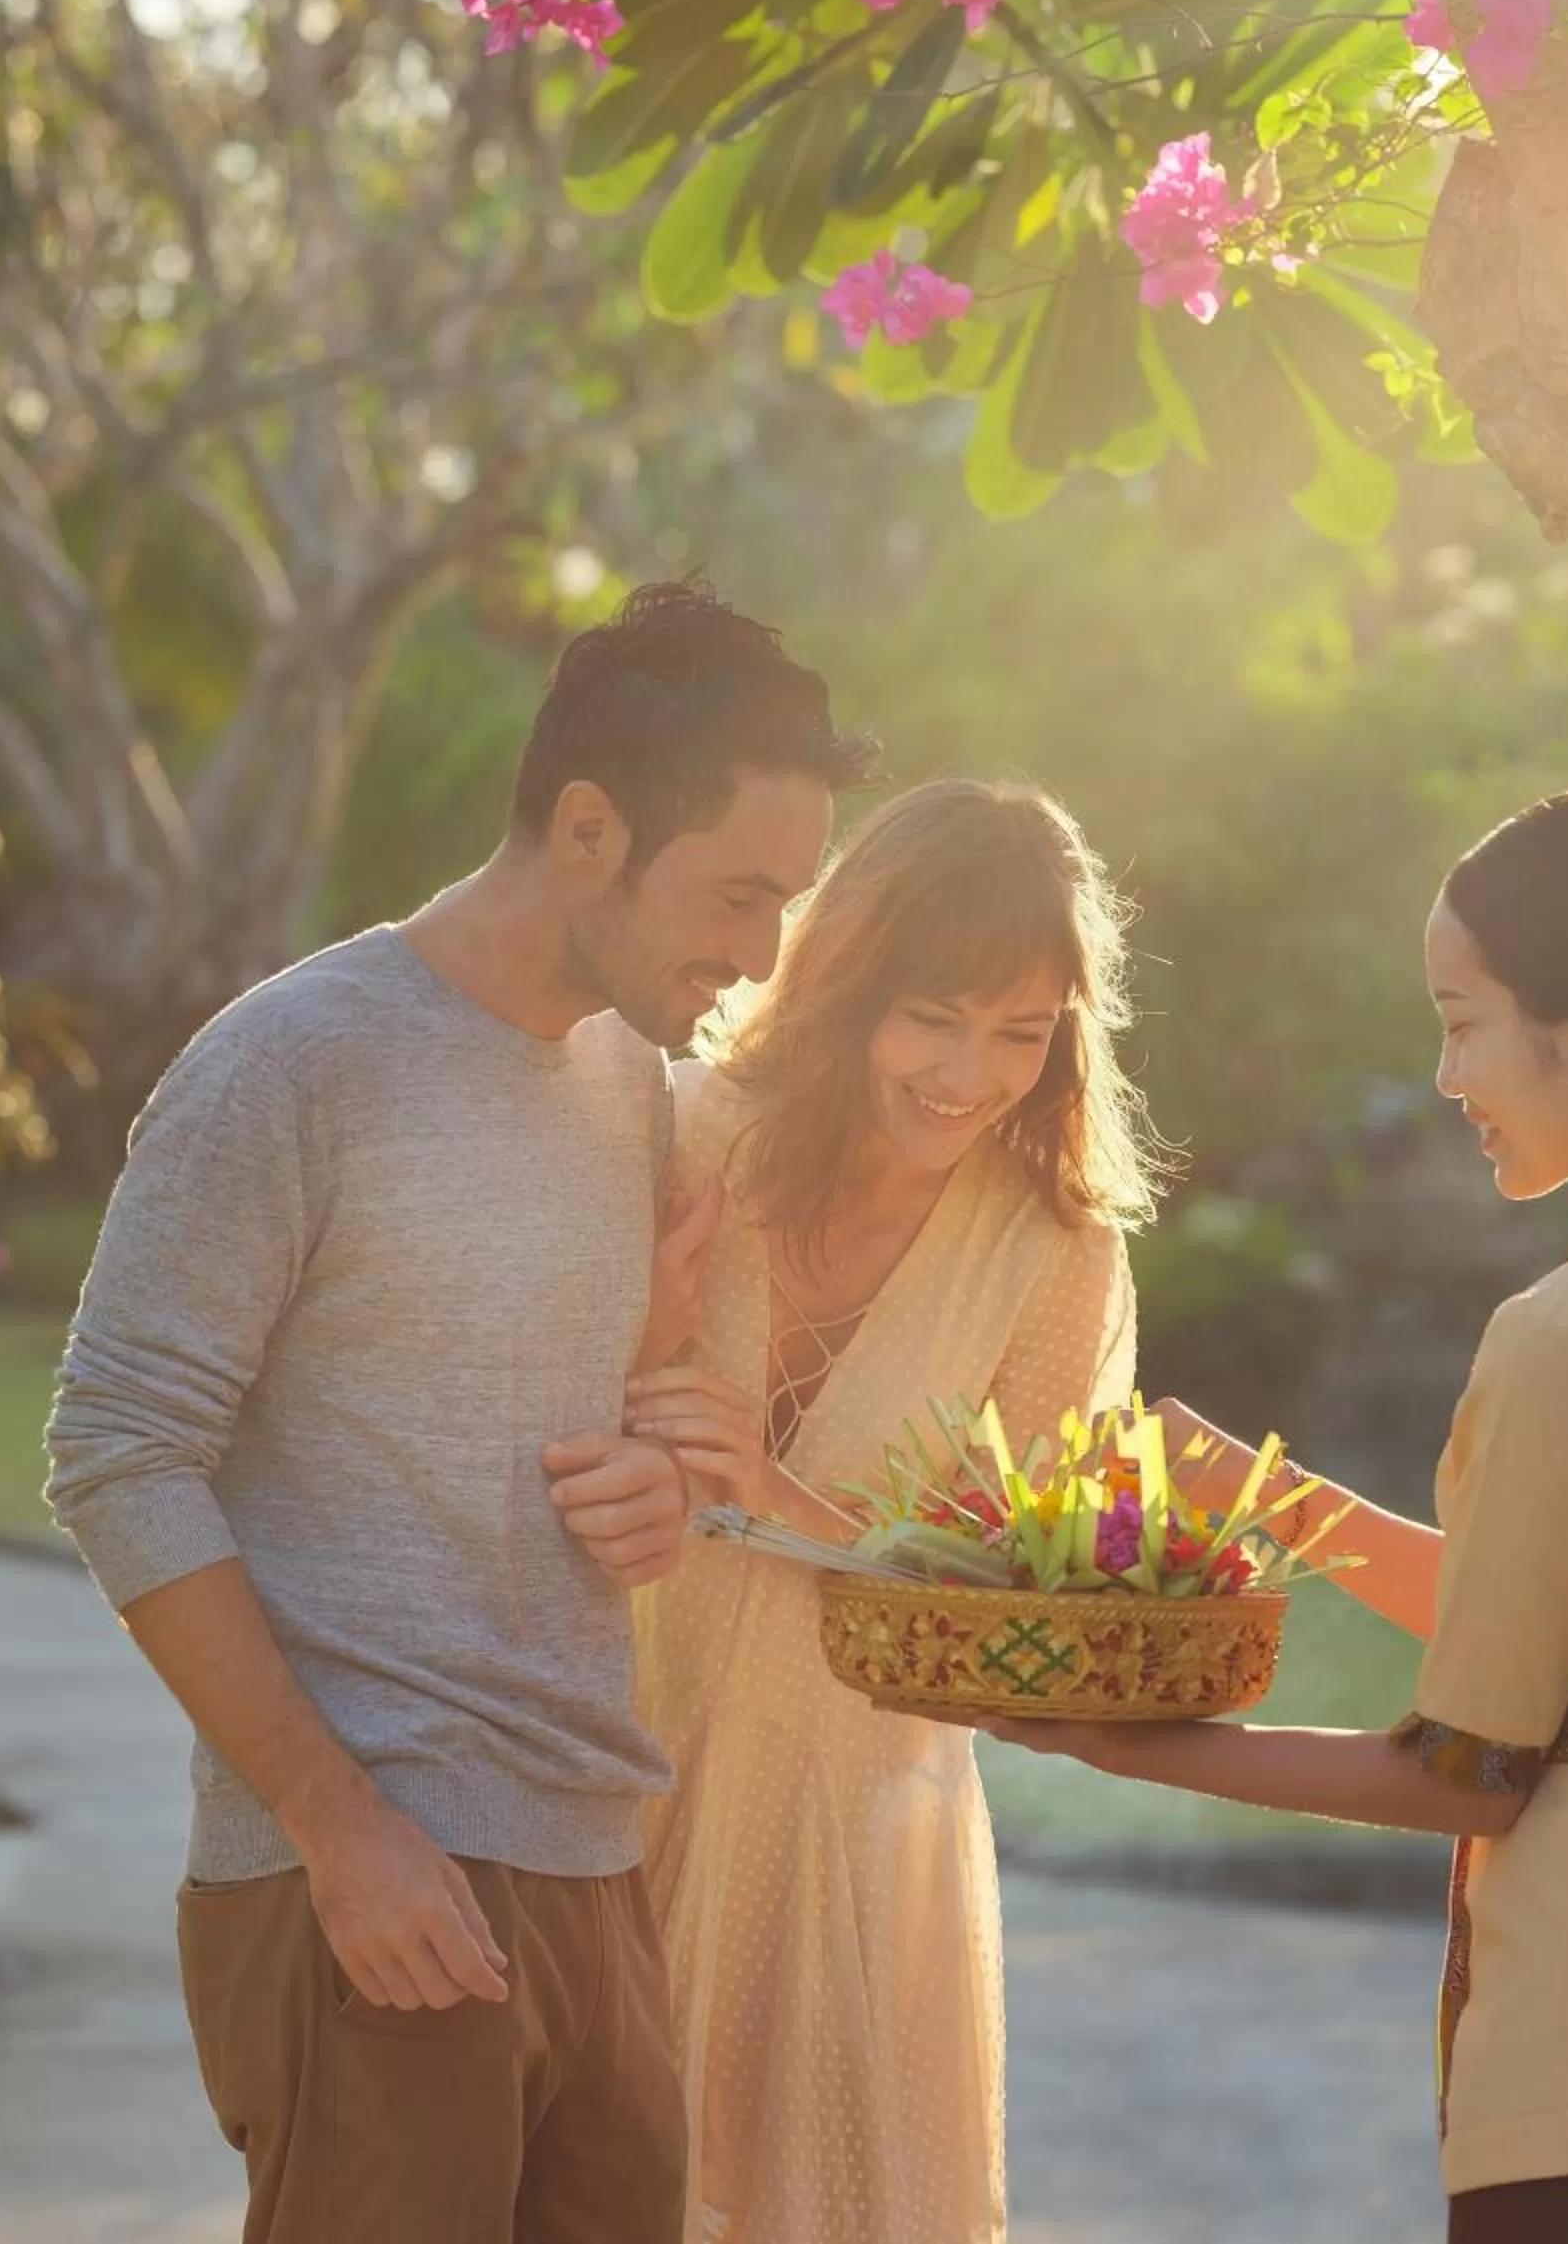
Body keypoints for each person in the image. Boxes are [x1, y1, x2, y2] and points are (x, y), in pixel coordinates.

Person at [44, 580, 877, 2244]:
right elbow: (117, 1449)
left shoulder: (623, 1082)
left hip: (589, 1867)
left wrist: (655, 1471)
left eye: (788, 898)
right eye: (738, 892)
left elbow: (560, 1396)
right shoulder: (294, 1063)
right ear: (587, 829)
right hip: (381, 1881)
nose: (763, 950)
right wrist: (339, 1829)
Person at [981, 787, 1568, 2244]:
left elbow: (1470, 1772)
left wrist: (1127, 1740)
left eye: (1463, 1021)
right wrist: (1252, 1486)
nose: (1448, 1074)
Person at [619, 779, 1162, 2244]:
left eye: (1022, 1031)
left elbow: (1022, 1613)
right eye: (937, 1014)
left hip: (861, 1844)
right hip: (621, 1774)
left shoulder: (1053, 1251)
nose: (972, 1072)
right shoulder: (685, 1132)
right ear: (850, 977)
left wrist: (778, 1492)